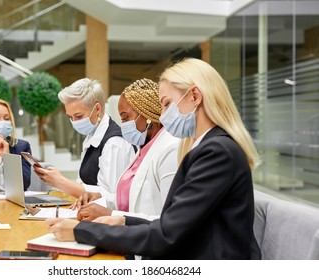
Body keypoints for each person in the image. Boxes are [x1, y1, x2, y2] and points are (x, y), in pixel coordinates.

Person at [45, 58, 262, 260]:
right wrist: (122, 220)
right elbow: (172, 224)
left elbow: (166, 234)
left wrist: (81, 231)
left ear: (195, 96)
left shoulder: (216, 152)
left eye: (167, 104)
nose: (163, 115)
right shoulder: (209, 147)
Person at [75, 78, 179, 221]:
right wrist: (102, 199)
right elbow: (132, 200)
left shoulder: (170, 149)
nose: (122, 125)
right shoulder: (143, 149)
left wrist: (110, 215)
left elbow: (170, 219)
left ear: (147, 114)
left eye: (125, 118)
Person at [34, 78, 135, 201]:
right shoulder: (91, 137)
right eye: (70, 117)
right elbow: (83, 183)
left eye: (78, 116)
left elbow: (113, 198)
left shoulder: (114, 144)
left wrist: (61, 182)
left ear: (97, 109)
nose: (74, 122)